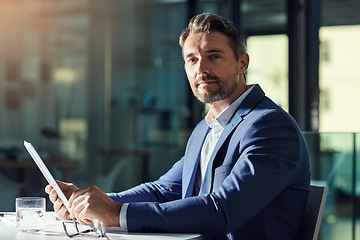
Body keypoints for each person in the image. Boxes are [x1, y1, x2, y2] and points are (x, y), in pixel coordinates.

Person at [46, 13, 311, 240]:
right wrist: (88, 203)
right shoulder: (205, 128)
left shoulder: (269, 126)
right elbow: (164, 191)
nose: (201, 69)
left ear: (242, 63)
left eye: (214, 56)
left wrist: (115, 212)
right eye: (192, 59)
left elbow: (223, 210)